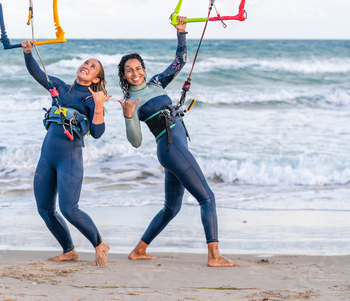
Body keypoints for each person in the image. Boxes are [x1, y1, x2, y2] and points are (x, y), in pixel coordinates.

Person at [117, 17, 239, 267]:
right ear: (124, 76)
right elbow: (137, 142)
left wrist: (181, 32)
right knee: (207, 198)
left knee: (171, 209)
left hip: (176, 147)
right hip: (170, 148)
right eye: (129, 70)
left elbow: (179, 62)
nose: (135, 73)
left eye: (138, 68)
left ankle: (138, 251)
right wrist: (129, 116)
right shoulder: (132, 102)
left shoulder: (157, 83)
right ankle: (214, 256)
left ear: (143, 68)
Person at [22, 40, 111, 266]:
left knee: (69, 209)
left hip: (69, 159)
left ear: (96, 79)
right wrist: (28, 53)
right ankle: (69, 250)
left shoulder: (92, 99)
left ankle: (100, 245)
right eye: (85, 63)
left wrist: (99, 106)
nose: (86, 66)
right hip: (46, 158)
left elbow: (98, 133)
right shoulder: (60, 88)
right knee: (45, 209)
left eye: (92, 67)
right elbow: (36, 72)